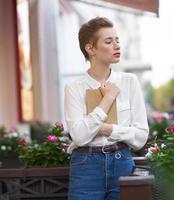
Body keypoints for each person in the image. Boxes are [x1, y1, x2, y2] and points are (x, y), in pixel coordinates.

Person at [64, 17, 149, 200]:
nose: (117, 46)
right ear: (90, 48)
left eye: (117, 40)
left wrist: (107, 129)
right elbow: (79, 136)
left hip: (122, 163)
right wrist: (108, 98)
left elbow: (141, 136)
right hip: (85, 167)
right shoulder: (74, 88)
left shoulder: (129, 82)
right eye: (109, 41)